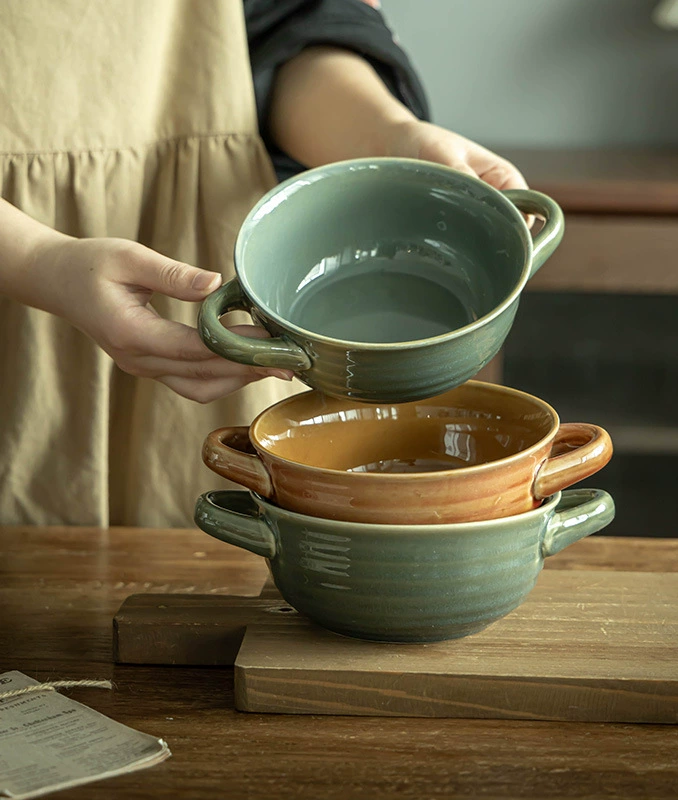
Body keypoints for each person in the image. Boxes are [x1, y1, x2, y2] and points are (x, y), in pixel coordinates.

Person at [0, 0, 529, 528]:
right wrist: (37, 260)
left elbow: (289, 31)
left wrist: (389, 137)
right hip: (16, 279)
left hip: (230, 283)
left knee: (225, 535)